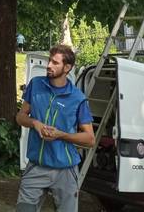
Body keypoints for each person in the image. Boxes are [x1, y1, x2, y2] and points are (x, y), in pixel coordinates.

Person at [16, 44, 95, 212]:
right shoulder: (36, 85)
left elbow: (90, 139)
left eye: (55, 62)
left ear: (67, 68)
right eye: (49, 61)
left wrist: (61, 135)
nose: (49, 66)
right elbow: (20, 117)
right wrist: (35, 123)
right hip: (36, 166)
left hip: (65, 171)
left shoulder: (78, 98)